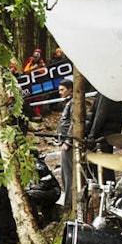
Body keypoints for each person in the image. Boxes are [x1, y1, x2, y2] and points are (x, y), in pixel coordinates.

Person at [54, 78, 75, 208]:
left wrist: (68, 141)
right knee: (64, 173)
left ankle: (69, 202)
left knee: (68, 174)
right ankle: (68, 200)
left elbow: (74, 122)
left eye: (62, 90)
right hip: (64, 142)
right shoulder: (68, 103)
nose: (60, 93)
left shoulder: (73, 103)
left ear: (70, 90)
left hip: (69, 144)